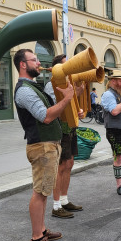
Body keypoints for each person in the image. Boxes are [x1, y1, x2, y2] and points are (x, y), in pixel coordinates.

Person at [14, 49, 74, 241]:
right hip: (41, 146)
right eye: (34, 60)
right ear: (23, 64)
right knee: (40, 192)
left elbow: (53, 113)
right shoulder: (24, 90)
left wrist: (72, 97)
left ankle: (42, 229)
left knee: (44, 190)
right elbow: (45, 116)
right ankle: (37, 238)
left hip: (47, 145)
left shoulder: (32, 87)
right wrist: (66, 99)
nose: (39, 63)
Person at [43, 54, 84, 219]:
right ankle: (56, 205)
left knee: (69, 163)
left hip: (70, 128)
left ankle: (65, 200)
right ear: (58, 69)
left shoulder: (69, 83)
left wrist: (78, 110)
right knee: (60, 167)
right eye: (66, 66)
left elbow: (72, 106)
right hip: (60, 129)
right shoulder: (50, 85)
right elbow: (56, 108)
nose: (71, 69)